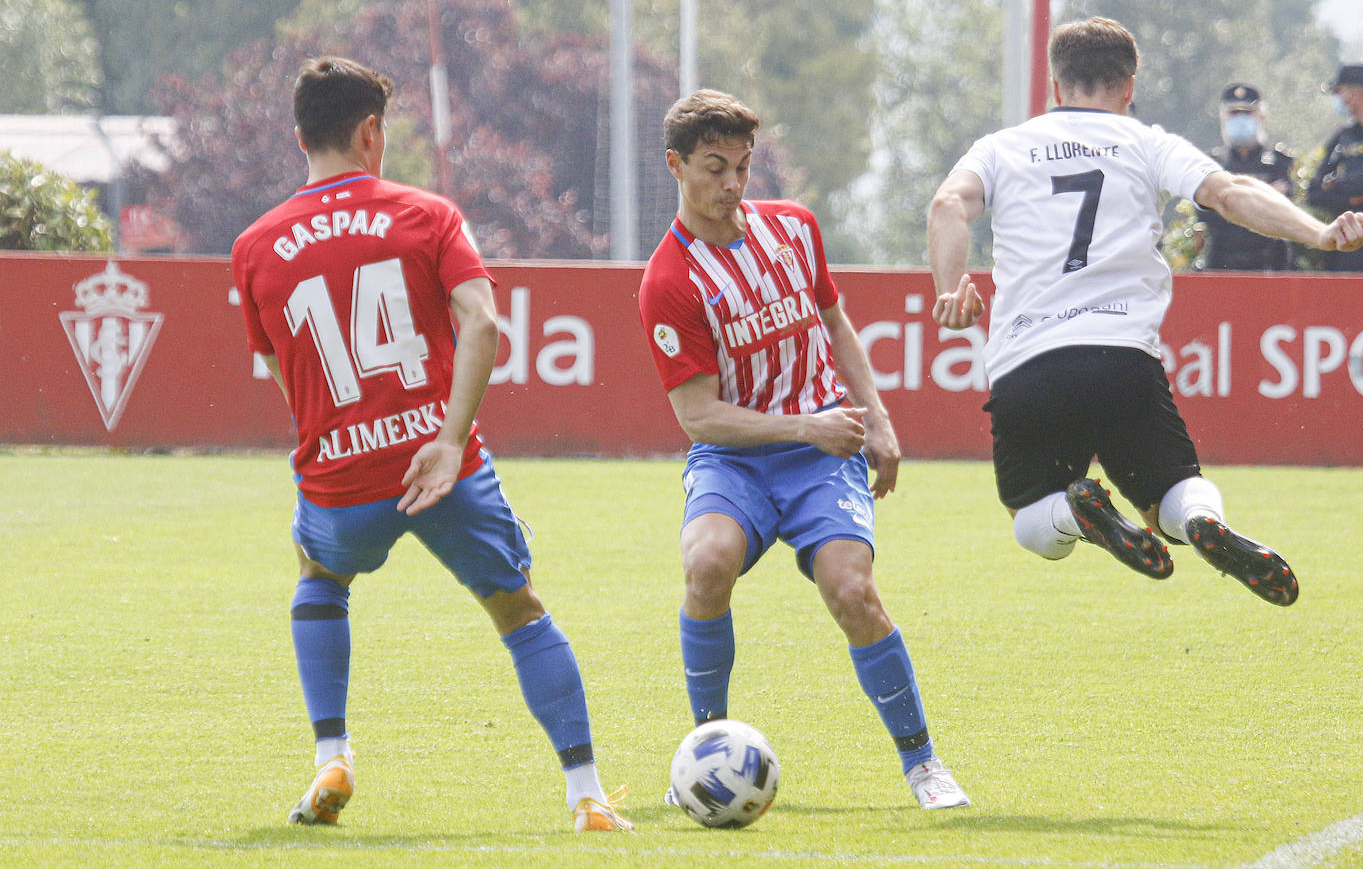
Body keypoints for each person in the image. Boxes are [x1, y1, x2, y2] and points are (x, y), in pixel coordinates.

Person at [230, 57, 631, 832]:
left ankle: (332, 755)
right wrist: (446, 440)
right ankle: (586, 794)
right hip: (441, 466)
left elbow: (284, 366)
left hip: (341, 479)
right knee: (519, 609)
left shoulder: (255, 246)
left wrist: (335, 443)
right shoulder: (427, 214)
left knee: (318, 574)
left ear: (299, 137)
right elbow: (482, 322)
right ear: (370, 132)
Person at [926, 17, 1363, 607]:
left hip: (1026, 361)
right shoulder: (1146, 142)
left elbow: (947, 204)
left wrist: (950, 289)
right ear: (1129, 86)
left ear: (1057, 87)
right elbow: (1231, 193)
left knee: (1030, 517)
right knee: (1174, 492)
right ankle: (1200, 523)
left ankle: (1074, 514)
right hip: (1122, 359)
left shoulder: (1001, 148)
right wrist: (1318, 235)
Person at [637, 89, 969, 810]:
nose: (732, 184)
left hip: (823, 456)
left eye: (743, 167)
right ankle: (705, 754)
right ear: (676, 166)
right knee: (706, 565)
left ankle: (924, 765)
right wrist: (803, 426)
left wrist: (876, 421)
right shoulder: (669, 280)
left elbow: (837, 325)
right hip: (739, 457)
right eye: (715, 167)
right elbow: (698, 417)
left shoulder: (793, 230)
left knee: (851, 590)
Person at [1194, 83, 1295, 270]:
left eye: (1247, 112)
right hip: (1222, 260)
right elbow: (1205, 212)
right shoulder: (1212, 163)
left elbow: (1283, 209)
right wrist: (1263, 196)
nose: (1240, 118)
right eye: (1233, 113)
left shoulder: (1278, 161)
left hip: (1269, 260)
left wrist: (1228, 200)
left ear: (1261, 115)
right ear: (1222, 117)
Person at [1308, 63, 1363, 271]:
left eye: (1339, 91)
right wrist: (1352, 196)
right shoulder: (1341, 137)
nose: (1338, 98)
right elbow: (1314, 192)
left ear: (1355, 91)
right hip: (1345, 249)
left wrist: (1338, 184)